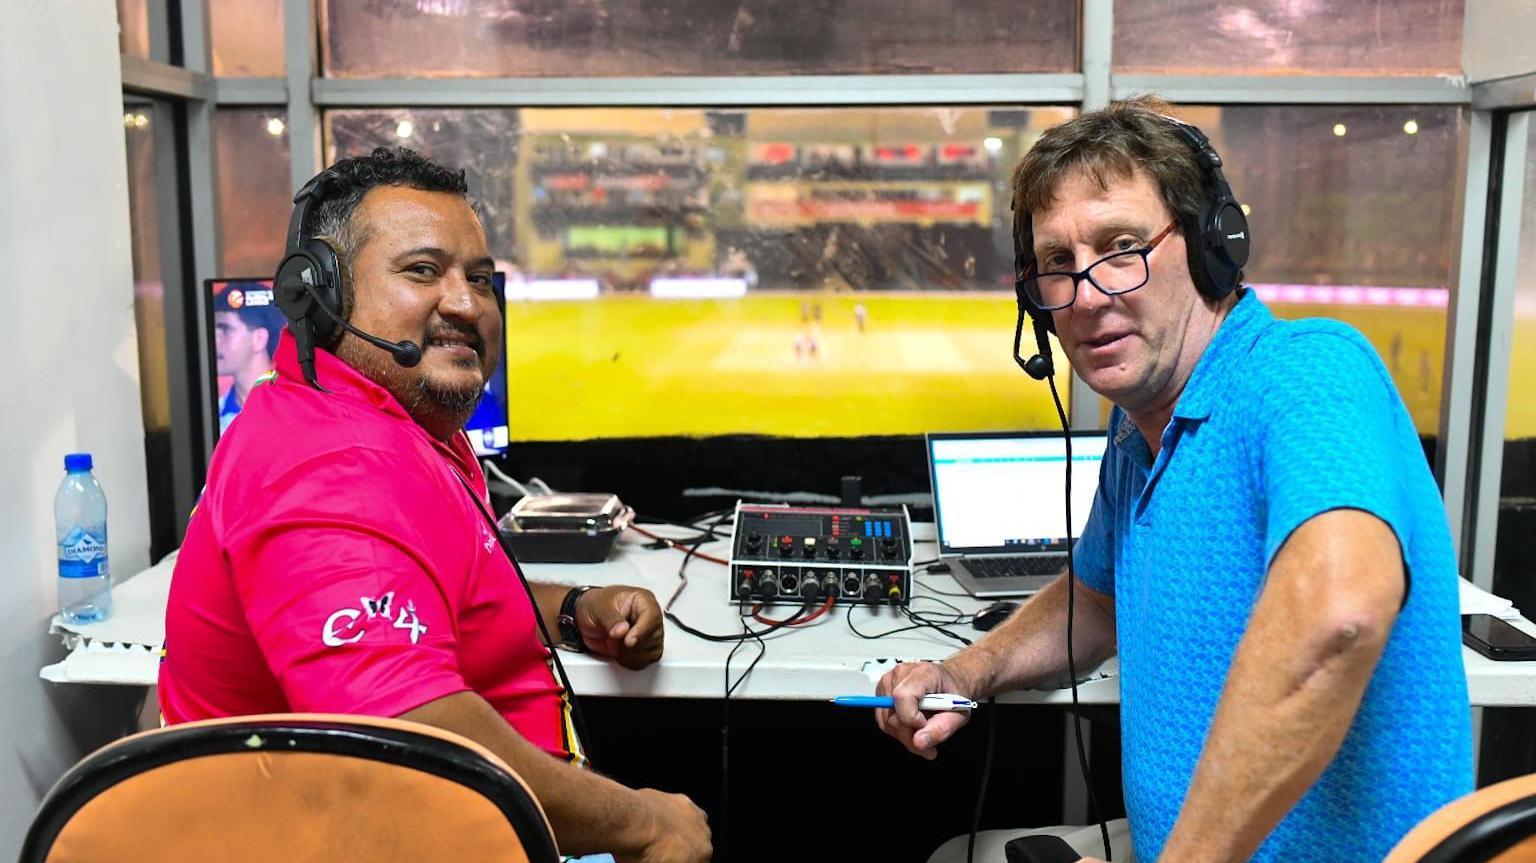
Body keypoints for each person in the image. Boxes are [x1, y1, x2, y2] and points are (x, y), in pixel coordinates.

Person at [878, 97, 1471, 862]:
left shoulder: (1308, 372)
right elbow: (1094, 597)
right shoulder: (1138, 433)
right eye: (1057, 264)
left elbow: (1338, 615)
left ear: (1208, 245)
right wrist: (964, 670)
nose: (1087, 295)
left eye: (1120, 247)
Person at [160, 147, 711, 863]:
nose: (467, 303)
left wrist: (573, 607)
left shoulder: (392, 421)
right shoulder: (332, 465)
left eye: (479, 279)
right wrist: (644, 821)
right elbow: (417, 740)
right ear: (318, 294)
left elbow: (435, 592)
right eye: (423, 271)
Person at [212, 282, 284, 432]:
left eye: (225, 329)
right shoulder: (214, 414)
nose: (215, 340)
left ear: (259, 339)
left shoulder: (297, 409)